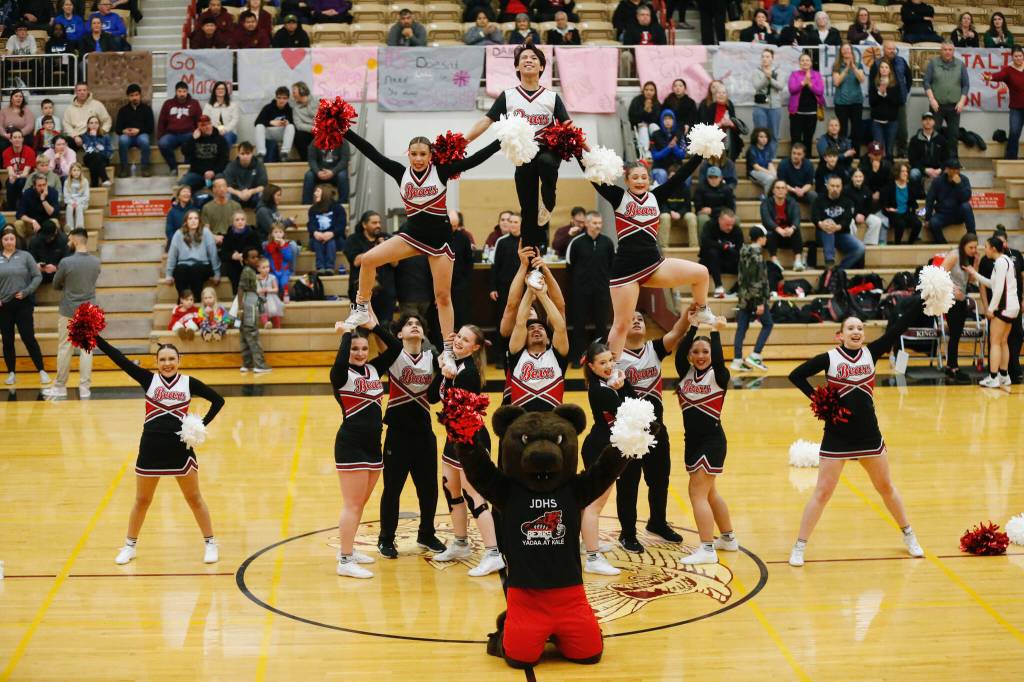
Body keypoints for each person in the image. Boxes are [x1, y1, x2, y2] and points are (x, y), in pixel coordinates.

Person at [339, 130, 500, 373]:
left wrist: (501, 141)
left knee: (443, 296)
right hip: (411, 236)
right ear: (408, 154)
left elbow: (474, 159)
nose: (417, 158)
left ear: (430, 155)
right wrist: (346, 132)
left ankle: (448, 352)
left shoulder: (441, 172)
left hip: (439, 242)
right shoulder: (400, 172)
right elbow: (370, 152)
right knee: (369, 260)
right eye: (413, 154)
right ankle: (361, 309)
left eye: (422, 154)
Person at [787, 305, 926, 567]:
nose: (856, 331)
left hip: (868, 436)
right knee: (822, 493)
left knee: (885, 487)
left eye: (860, 328)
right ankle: (799, 546)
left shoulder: (871, 353)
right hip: (837, 437)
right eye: (851, 328)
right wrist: (820, 400)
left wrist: (920, 300)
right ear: (839, 335)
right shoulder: (829, 358)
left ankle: (909, 536)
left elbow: (897, 327)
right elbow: (796, 375)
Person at [98, 332, 225, 566]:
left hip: (179, 450)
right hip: (151, 449)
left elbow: (218, 400)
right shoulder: (148, 380)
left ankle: (210, 543)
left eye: (171, 359)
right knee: (142, 500)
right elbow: (119, 359)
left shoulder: (188, 383)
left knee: (194, 498)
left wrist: (199, 426)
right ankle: (129, 546)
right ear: (156, 363)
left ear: (179, 360)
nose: (167, 364)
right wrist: (96, 339)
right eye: (162, 360)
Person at [593, 158, 715, 358]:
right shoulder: (618, 197)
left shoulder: (656, 197)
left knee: (701, 273)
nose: (640, 181)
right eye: (635, 177)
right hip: (626, 272)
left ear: (649, 179)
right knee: (622, 325)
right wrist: (579, 150)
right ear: (626, 180)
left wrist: (700, 154)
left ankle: (701, 309)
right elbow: (594, 176)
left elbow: (682, 175)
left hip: (654, 266)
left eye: (643, 177)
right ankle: (610, 370)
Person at [465, 44, 572, 249]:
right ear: (517, 67)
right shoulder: (509, 96)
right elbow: (486, 121)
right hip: (523, 154)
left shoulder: (551, 97)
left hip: (549, 149)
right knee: (527, 206)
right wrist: (464, 141)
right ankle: (531, 252)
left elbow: (569, 127)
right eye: (524, 58)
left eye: (534, 58)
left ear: (541, 67)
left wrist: (589, 151)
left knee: (546, 162)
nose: (529, 60)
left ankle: (549, 202)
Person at [428, 323, 505, 576]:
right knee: (450, 486)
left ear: (476, 347)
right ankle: (461, 543)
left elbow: (452, 406)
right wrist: (444, 368)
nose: (460, 341)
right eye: (458, 336)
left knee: (474, 494)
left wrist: (449, 378)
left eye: (466, 339)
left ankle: (493, 553)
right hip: (454, 436)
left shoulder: (469, 372)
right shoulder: (454, 365)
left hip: (471, 437)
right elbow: (432, 396)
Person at [330, 310, 400, 578]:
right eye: (354, 349)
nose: (359, 353)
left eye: (363, 348)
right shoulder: (340, 375)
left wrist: (374, 326)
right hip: (351, 447)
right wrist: (347, 332)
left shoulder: (373, 369)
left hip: (373, 447)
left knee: (360, 503)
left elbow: (394, 347)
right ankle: (345, 561)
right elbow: (340, 360)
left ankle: (347, 549)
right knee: (352, 504)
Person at [614, 311, 690, 552]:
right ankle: (627, 533)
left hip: (656, 430)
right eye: (632, 317)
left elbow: (677, 331)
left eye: (641, 318)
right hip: (629, 434)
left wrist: (690, 312)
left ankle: (657, 521)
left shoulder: (654, 349)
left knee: (659, 480)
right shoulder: (614, 354)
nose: (636, 320)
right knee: (629, 484)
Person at [374, 312, 447, 558]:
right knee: (392, 488)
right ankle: (386, 538)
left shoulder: (432, 358)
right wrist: (366, 302)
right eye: (408, 324)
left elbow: (438, 393)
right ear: (399, 334)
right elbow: (377, 332)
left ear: (424, 333)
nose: (414, 326)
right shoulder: (394, 355)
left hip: (424, 433)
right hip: (398, 433)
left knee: (429, 489)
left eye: (418, 324)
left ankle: (426, 533)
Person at [673, 312, 738, 565]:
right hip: (692, 442)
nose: (700, 356)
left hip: (712, 441)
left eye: (705, 352)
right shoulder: (685, 372)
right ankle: (728, 538)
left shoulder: (719, 376)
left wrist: (715, 331)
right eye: (696, 352)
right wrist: (692, 326)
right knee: (710, 493)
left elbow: (720, 362)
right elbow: (680, 353)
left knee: (696, 493)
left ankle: (707, 549)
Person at [579, 342, 633, 573]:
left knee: (589, 503)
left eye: (610, 360)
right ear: (591, 366)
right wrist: (621, 388)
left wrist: (621, 385)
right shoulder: (600, 389)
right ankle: (593, 559)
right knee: (594, 505)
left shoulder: (604, 384)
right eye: (602, 363)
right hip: (600, 450)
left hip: (602, 446)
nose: (609, 366)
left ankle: (587, 544)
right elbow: (629, 410)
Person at [42, 228, 100, 399]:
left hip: (68, 309)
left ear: (74, 240)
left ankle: (60, 386)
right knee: (86, 350)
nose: (67, 241)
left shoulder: (66, 262)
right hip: (89, 309)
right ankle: (85, 388)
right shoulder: (96, 262)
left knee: (65, 348)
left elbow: (55, 284)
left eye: (69, 238)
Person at [507, 277, 570, 411]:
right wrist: (530, 289)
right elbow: (520, 322)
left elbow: (560, 328)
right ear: (524, 338)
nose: (536, 329)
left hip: (552, 422)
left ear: (548, 339)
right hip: (522, 423)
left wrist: (542, 295)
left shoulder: (556, 355)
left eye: (541, 328)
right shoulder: (517, 353)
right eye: (531, 329)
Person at [967, 237, 1019, 389]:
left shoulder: (1001, 262)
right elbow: (992, 284)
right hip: (1011, 307)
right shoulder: (1006, 260)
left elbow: (999, 289)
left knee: (995, 342)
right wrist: (974, 273)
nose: (985, 250)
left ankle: (994, 377)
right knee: (1003, 341)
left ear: (993, 249)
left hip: (1004, 306)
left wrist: (991, 308)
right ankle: (1004, 375)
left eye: (986, 247)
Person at [0, 226, 47, 386]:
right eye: (6, 239)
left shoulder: (25, 256)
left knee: (28, 338)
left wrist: (27, 291)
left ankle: (41, 371)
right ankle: (11, 373)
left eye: (11, 239)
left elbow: (37, 276)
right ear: (2, 241)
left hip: (23, 304)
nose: (9, 242)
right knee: (7, 340)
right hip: (4, 306)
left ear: (16, 240)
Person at [566, 211, 614, 362]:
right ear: (586, 224)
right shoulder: (576, 242)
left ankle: (601, 359)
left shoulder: (607, 242)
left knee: (602, 325)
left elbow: (612, 266)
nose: (598, 226)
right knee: (579, 325)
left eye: (600, 223)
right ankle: (577, 357)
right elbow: (569, 266)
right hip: (580, 292)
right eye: (594, 223)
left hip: (602, 291)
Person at [344, 211, 396, 322]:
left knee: (385, 328)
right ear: (364, 224)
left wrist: (386, 248)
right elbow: (356, 261)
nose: (378, 225)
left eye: (379, 222)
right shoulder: (353, 240)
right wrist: (378, 249)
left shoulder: (386, 238)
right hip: (362, 293)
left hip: (386, 292)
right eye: (374, 223)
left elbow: (395, 263)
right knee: (363, 328)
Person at [733, 225, 773, 372]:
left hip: (744, 297)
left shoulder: (743, 252)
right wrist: (760, 303)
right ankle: (755, 355)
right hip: (755, 298)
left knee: (742, 328)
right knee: (768, 324)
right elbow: (757, 281)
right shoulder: (757, 256)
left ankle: (737, 360)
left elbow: (744, 278)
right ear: (761, 238)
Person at [940, 233, 979, 383]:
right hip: (950, 300)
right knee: (955, 334)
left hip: (961, 299)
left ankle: (951, 366)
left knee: (957, 334)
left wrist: (975, 263)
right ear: (963, 245)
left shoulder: (968, 257)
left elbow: (971, 280)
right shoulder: (954, 255)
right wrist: (951, 288)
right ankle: (952, 367)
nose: (974, 249)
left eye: (975, 247)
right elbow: (939, 273)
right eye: (971, 247)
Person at [924, 42, 969, 160]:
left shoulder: (960, 64)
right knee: (934, 133)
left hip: (955, 106)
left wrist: (961, 102)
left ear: (953, 51)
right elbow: (926, 82)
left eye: (950, 49)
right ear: (940, 50)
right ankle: (934, 159)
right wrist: (932, 99)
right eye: (945, 49)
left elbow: (966, 85)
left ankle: (953, 161)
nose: (947, 52)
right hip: (936, 105)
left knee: (953, 134)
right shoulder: (933, 63)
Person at [165, 209, 220, 297]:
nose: (193, 221)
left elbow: (213, 254)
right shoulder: (178, 233)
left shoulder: (206, 232)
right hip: (184, 264)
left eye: (196, 218)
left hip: (202, 265)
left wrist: (217, 273)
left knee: (196, 269)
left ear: (199, 221)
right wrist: (169, 274)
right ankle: (183, 300)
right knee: (180, 269)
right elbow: (172, 255)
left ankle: (196, 299)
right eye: (190, 218)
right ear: (186, 222)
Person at [871, 41, 912, 157]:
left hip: (898, 102)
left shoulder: (901, 61)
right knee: (881, 133)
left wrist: (905, 91)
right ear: (884, 50)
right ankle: (879, 155)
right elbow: (872, 84)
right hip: (881, 103)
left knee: (902, 130)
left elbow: (909, 78)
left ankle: (902, 151)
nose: (892, 51)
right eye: (889, 49)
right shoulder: (877, 64)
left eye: (894, 49)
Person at [813, 174, 864, 269]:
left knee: (860, 248)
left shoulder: (847, 202)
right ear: (827, 186)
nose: (835, 189)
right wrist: (821, 224)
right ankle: (829, 261)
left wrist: (837, 227)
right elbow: (814, 217)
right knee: (828, 223)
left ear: (841, 187)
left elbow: (847, 220)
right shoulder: (818, 200)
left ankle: (840, 270)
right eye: (832, 186)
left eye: (837, 186)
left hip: (841, 234)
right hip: (823, 234)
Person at [984, 46, 1024, 161]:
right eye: (1016, 56)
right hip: (1016, 108)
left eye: (1020, 56)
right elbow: (998, 76)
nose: (1018, 58)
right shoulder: (1008, 70)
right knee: (1014, 133)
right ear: (1012, 57)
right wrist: (990, 77)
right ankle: (1011, 159)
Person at [235, 247, 271, 373]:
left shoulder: (248, 271)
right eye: (252, 257)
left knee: (245, 337)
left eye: (257, 257)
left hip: (245, 305)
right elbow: (241, 289)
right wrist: (241, 307)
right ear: (245, 260)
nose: (256, 260)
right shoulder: (248, 272)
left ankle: (247, 364)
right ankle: (260, 365)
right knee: (253, 335)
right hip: (249, 306)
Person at [925, 159, 974, 244]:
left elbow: (966, 198)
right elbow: (930, 199)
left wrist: (959, 185)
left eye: (958, 169)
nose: (956, 172)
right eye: (954, 169)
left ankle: (972, 236)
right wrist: (927, 218)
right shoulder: (937, 181)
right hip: (943, 214)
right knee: (933, 223)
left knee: (966, 206)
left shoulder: (964, 180)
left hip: (958, 213)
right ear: (947, 170)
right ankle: (943, 244)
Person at [158, 82, 202, 176]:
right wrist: (160, 136)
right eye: (179, 91)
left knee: (192, 142)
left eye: (184, 91)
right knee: (163, 143)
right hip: (171, 134)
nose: (182, 94)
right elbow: (162, 121)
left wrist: (198, 133)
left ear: (187, 92)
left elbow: (199, 121)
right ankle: (174, 167)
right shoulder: (168, 103)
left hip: (188, 133)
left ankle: (186, 168)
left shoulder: (194, 103)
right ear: (176, 92)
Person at [760, 179, 804, 270]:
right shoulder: (766, 203)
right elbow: (766, 220)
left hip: (788, 236)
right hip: (774, 237)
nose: (780, 190)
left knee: (796, 230)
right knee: (770, 232)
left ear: (786, 191)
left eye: (783, 188)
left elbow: (797, 217)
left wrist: (792, 228)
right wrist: (778, 229)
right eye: (778, 188)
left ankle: (798, 261)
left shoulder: (792, 202)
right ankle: (774, 261)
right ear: (773, 190)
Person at [699, 209, 743, 298]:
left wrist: (729, 250)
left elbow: (739, 251)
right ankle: (718, 287)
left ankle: (734, 290)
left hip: (729, 262)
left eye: (732, 224)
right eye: (727, 224)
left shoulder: (737, 230)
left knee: (747, 262)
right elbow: (705, 243)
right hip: (711, 263)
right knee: (712, 252)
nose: (730, 227)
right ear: (720, 220)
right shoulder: (710, 226)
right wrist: (724, 247)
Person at [686, 165, 736, 242]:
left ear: (720, 178)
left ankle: (731, 243)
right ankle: (703, 243)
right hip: (705, 214)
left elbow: (730, 208)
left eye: (715, 177)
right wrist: (706, 211)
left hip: (722, 214)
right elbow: (698, 207)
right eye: (710, 177)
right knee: (703, 219)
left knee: (736, 220)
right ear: (707, 178)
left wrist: (712, 210)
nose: (713, 180)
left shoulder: (727, 189)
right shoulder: (700, 188)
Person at [695, 82, 741, 162]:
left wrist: (730, 124)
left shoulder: (729, 105)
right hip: (714, 137)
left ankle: (727, 161)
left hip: (728, 137)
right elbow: (706, 127)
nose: (721, 95)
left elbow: (735, 124)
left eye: (724, 93)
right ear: (715, 95)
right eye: (719, 93)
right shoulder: (712, 107)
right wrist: (720, 124)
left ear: (727, 95)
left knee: (730, 136)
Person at [787, 52, 824, 152]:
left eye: (807, 60)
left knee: (808, 139)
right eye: (802, 60)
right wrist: (803, 82)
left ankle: (807, 161)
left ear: (811, 63)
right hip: (796, 112)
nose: (805, 62)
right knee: (796, 138)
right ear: (799, 63)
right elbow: (792, 89)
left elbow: (820, 91)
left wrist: (810, 84)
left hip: (811, 112)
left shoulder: (816, 75)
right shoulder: (794, 74)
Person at [181, 117, 229, 195]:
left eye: (209, 124)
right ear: (198, 127)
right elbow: (185, 152)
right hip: (198, 173)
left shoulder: (220, 139)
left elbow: (224, 159)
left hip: (215, 173)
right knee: (183, 183)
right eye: (203, 125)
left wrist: (213, 171)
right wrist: (193, 139)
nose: (207, 127)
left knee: (221, 182)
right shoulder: (193, 139)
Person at [115, 83, 154, 178]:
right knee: (122, 140)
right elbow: (117, 129)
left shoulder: (147, 109)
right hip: (127, 136)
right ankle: (124, 168)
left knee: (145, 141)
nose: (134, 98)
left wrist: (139, 130)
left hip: (141, 135)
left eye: (136, 95)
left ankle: (145, 167)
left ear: (140, 95)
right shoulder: (123, 110)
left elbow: (150, 127)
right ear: (128, 97)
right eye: (131, 96)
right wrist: (124, 131)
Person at [751, 49, 785, 158]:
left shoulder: (779, 71)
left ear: (772, 59)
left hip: (775, 107)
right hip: (760, 107)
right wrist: (766, 77)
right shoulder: (756, 72)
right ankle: (759, 157)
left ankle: (771, 158)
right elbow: (757, 86)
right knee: (760, 134)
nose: (765, 59)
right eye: (763, 56)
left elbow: (780, 86)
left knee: (774, 134)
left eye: (767, 56)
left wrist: (771, 78)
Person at [831, 44, 865, 150]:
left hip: (856, 102)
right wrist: (846, 69)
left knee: (856, 129)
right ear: (841, 52)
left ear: (851, 51)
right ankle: (843, 153)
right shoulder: (836, 66)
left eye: (848, 49)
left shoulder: (859, 65)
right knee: (842, 130)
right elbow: (836, 82)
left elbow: (862, 79)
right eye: (844, 49)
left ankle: (856, 154)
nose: (846, 51)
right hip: (841, 103)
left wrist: (853, 67)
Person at [307, 184, 346, 275]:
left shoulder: (338, 208)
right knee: (317, 240)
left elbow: (341, 225)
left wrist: (331, 234)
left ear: (325, 194)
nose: (315, 193)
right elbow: (310, 224)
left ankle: (329, 267)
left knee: (330, 241)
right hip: (317, 238)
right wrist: (315, 233)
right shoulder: (313, 209)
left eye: (318, 191)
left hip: (336, 239)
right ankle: (320, 267)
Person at [880, 163, 923, 245]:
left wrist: (913, 209)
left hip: (906, 212)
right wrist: (888, 208)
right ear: (897, 173)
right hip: (894, 212)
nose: (905, 173)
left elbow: (913, 202)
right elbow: (884, 202)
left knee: (918, 224)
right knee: (900, 224)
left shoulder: (910, 186)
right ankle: (897, 244)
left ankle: (910, 244)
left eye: (906, 171)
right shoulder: (890, 186)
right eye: (902, 171)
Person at [220, 211, 261, 293]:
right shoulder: (228, 236)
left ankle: (251, 293)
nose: (240, 222)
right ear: (233, 222)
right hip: (233, 263)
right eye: (237, 220)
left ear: (246, 221)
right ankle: (237, 295)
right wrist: (233, 256)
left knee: (250, 267)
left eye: (242, 219)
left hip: (249, 261)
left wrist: (245, 254)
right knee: (231, 268)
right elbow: (223, 253)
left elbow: (259, 249)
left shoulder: (253, 234)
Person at [15, 173, 59, 244]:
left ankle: (53, 247)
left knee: (55, 221)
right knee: (18, 223)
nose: (42, 188)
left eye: (44, 185)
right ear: (34, 186)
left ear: (47, 184)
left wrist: (43, 200)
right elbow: (19, 214)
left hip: (47, 223)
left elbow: (53, 213)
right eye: (39, 185)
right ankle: (22, 247)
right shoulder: (27, 193)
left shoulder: (53, 192)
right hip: (32, 223)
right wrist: (33, 221)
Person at [907, 111, 947, 188]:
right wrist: (925, 170)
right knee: (914, 173)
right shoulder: (914, 140)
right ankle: (917, 195)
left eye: (930, 119)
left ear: (934, 122)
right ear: (922, 122)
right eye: (925, 119)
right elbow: (912, 160)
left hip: (937, 170)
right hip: (921, 170)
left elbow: (946, 158)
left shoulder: (941, 139)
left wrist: (940, 170)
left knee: (949, 173)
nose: (928, 121)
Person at [254, 87, 294, 162]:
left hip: (281, 133)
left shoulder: (290, 109)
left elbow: (294, 124)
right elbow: (256, 122)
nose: (281, 100)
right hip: (269, 132)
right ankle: (261, 153)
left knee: (291, 126)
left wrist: (287, 123)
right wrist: (271, 122)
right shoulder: (268, 108)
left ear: (288, 99)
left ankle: (284, 153)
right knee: (259, 126)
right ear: (276, 98)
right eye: (279, 98)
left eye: (284, 98)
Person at [303, 139, 349, 203]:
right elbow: (311, 160)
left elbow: (344, 161)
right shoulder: (315, 141)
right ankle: (306, 203)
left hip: (336, 172)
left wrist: (333, 172)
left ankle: (343, 202)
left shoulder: (343, 142)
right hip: (319, 172)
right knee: (309, 176)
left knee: (342, 176)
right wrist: (317, 172)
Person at [223, 142, 267, 209]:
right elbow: (227, 186)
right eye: (242, 154)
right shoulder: (231, 166)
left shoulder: (259, 165)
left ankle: (261, 216)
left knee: (263, 194)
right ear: (238, 154)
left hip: (253, 195)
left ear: (252, 154)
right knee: (226, 194)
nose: (245, 156)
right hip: (236, 196)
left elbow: (263, 186)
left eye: (248, 153)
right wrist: (238, 193)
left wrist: (250, 192)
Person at [651, 109, 686, 186]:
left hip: (676, 166)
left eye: (670, 119)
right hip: (660, 167)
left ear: (674, 120)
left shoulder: (679, 134)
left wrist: (675, 147)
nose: (667, 121)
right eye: (665, 119)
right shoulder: (655, 135)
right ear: (661, 120)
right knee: (662, 174)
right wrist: (669, 148)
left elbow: (683, 155)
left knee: (686, 175)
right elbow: (655, 156)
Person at [4, 130, 35, 210]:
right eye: (14, 137)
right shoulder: (6, 152)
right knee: (10, 183)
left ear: (22, 139)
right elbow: (10, 171)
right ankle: (11, 208)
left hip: (27, 178)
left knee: (21, 181)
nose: (17, 139)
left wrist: (16, 176)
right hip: (15, 176)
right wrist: (12, 177)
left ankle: (23, 207)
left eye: (19, 137)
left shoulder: (30, 151)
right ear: (10, 140)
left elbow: (25, 173)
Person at [203, 81, 240, 149]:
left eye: (223, 89)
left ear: (226, 91)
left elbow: (235, 120)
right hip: (213, 132)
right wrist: (215, 131)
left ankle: (224, 159)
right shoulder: (208, 106)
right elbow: (204, 120)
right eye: (218, 89)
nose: (220, 90)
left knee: (226, 139)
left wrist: (225, 130)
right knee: (209, 141)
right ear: (214, 91)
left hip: (229, 133)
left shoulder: (233, 105)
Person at [28, 220, 67, 284]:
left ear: (55, 232)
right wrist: (36, 266)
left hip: (58, 271)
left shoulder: (63, 240)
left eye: (50, 237)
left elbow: (68, 259)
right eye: (46, 237)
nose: (48, 239)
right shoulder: (34, 241)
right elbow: (30, 260)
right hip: (40, 272)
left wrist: (56, 267)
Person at [265, 223, 296, 301]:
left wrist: (282, 246)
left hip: (284, 270)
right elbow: (267, 256)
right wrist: (274, 244)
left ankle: (286, 296)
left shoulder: (286, 245)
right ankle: (274, 298)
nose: (278, 234)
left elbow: (289, 257)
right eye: (275, 232)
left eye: (280, 232)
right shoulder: (269, 245)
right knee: (274, 283)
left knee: (283, 283)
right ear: (272, 234)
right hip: (273, 270)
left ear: (283, 234)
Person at [628, 81, 660, 155]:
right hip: (638, 126)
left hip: (651, 125)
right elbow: (632, 117)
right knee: (643, 128)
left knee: (654, 126)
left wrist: (649, 112)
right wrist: (644, 110)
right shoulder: (636, 101)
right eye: (646, 90)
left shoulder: (656, 103)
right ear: (643, 91)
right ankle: (645, 153)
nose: (649, 92)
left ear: (655, 92)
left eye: (651, 90)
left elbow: (657, 119)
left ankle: (659, 149)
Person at [80, 115, 112, 187]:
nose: (94, 125)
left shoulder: (105, 136)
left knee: (96, 158)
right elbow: (89, 150)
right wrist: (93, 137)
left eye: (96, 123)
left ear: (99, 125)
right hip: (89, 157)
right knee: (94, 155)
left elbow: (109, 150)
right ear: (88, 125)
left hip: (103, 159)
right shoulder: (85, 136)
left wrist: (103, 155)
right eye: (91, 123)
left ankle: (94, 183)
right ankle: (105, 179)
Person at [289, 81, 318, 162]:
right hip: (308, 130)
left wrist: (308, 105)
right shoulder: (296, 108)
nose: (293, 94)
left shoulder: (317, 100)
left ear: (302, 91)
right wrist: (313, 128)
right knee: (298, 135)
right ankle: (306, 160)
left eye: (294, 91)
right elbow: (298, 125)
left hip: (321, 128)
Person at [0, 90, 34, 158]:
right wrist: (4, 134)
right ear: (11, 98)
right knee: (2, 144)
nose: (19, 98)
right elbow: (0, 125)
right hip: (7, 135)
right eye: (16, 96)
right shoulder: (4, 111)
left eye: (20, 97)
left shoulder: (26, 111)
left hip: (22, 135)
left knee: (28, 141)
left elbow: (30, 126)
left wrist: (18, 134)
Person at [64, 163, 90, 230]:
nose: (76, 172)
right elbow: (66, 196)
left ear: (81, 172)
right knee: (69, 207)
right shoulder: (67, 182)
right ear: (70, 172)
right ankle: (70, 228)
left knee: (79, 207)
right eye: (74, 170)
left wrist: (77, 202)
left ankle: (79, 228)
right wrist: (72, 202)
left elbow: (86, 196)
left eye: (78, 170)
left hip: (82, 202)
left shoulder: (85, 181)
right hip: (71, 202)